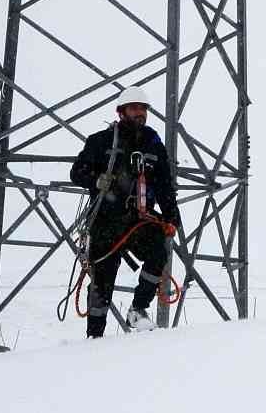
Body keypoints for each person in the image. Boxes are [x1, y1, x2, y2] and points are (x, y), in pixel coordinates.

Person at [70, 87, 183, 336]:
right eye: (134, 109)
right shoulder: (101, 142)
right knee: (103, 280)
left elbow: (164, 184)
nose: (139, 114)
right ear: (121, 112)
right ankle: (95, 334)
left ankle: (138, 309)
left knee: (157, 251)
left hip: (138, 219)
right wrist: (98, 180)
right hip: (106, 220)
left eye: (143, 109)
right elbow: (77, 172)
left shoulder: (153, 144)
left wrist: (172, 216)